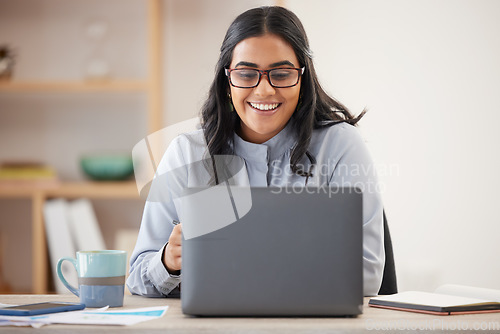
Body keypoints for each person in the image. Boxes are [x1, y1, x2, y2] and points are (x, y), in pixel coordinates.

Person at [127, 6, 385, 298]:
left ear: (303, 79)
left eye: (282, 73)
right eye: (247, 74)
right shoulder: (187, 153)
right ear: (227, 82)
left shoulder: (340, 145)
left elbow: (368, 273)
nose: (264, 91)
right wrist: (168, 262)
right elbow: (137, 276)